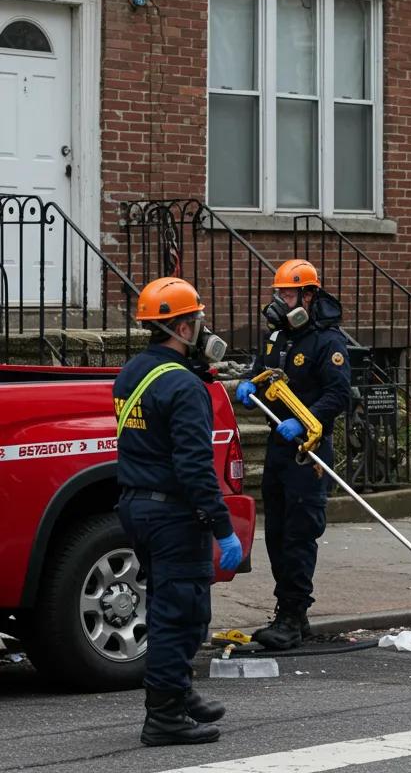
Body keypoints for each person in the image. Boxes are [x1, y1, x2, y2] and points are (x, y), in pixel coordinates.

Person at [115, 277, 242, 747]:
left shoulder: (134, 373)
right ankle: (163, 716)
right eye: (198, 321)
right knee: (180, 613)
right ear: (186, 326)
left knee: (176, 606)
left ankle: (180, 691)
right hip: (173, 515)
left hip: (136, 506)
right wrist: (222, 526)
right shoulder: (185, 387)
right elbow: (194, 466)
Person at [236, 259, 351, 651]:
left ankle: (291, 613)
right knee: (279, 533)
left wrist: (305, 422)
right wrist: (246, 388)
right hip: (278, 446)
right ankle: (292, 613)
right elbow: (260, 373)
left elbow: (338, 395)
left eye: (288, 294)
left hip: (309, 450)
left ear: (308, 295)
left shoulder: (328, 341)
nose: (281, 302)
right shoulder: (276, 339)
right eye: (278, 294)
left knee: (300, 534)